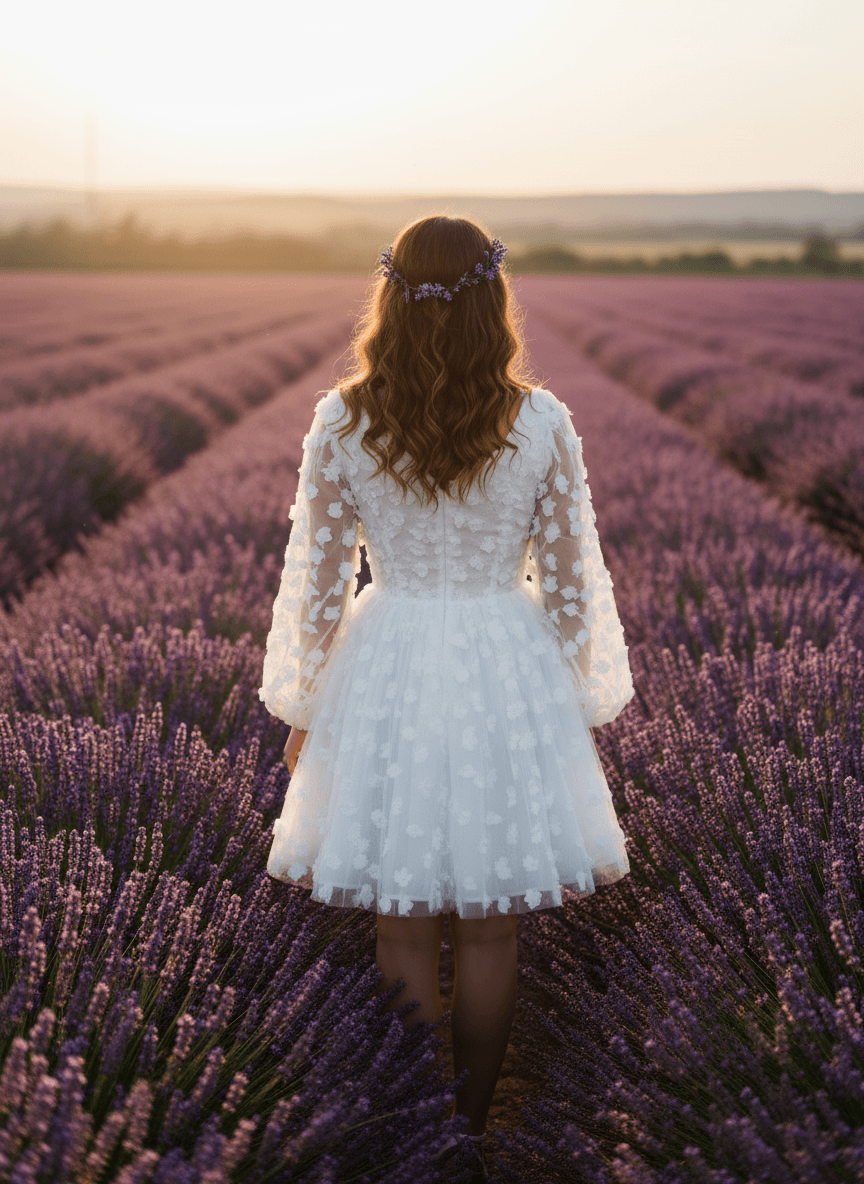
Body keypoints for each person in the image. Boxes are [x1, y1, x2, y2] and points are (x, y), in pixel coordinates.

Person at [258, 215, 635, 1178]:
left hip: (384, 662)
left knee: (400, 916)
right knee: (493, 921)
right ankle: (469, 1129)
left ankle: (413, 1122)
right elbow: (569, 578)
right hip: (501, 660)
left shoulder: (344, 417)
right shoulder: (540, 421)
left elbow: (317, 579)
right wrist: (565, 702)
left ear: (389, 295)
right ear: (492, 298)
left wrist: (305, 708)